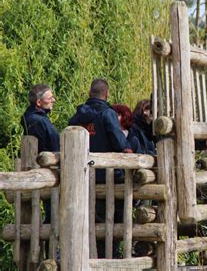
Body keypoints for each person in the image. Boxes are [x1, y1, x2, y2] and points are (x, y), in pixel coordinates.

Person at [68, 78, 129, 258]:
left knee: (90, 218)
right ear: (107, 94)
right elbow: (119, 142)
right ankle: (109, 257)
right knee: (112, 219)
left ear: (89, 93)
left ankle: (89, 255)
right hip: (109, 176)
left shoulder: (78, 116)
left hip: (84, 175)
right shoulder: (107, 114)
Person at [20, 84, 60, 256]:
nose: (53, 100)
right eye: (50, 98)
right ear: (38, 102)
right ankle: (52, 253)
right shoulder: (37, 120)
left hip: (44, 170)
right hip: (47, 172)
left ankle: (50, 252)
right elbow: (50, 144)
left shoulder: (33, 117)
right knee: (53, 214)